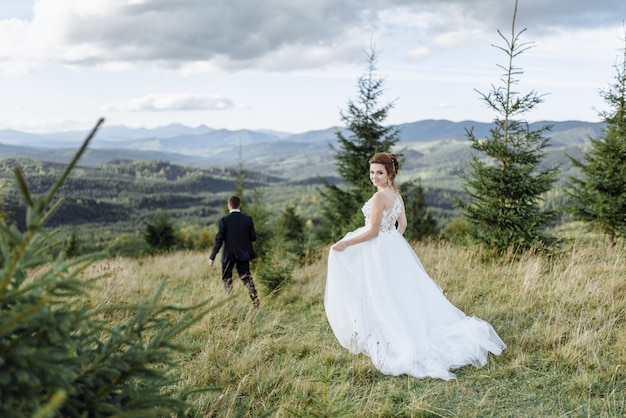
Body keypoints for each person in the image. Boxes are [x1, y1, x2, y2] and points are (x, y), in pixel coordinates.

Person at [324, 152, 505, 380]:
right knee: (395, 292)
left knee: (380, 292)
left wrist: (346, 243)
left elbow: (372, 231)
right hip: (390, 247)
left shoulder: (380, 198)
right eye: (372, 172)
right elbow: (403, 225)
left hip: (377, 248)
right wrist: (392, 243)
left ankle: (388, 334)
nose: (374, 177)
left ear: (390, 173)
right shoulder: (396, 195)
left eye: (379, 173)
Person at [209, 195, 260, 308]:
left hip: (228, 255)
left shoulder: (224, 221)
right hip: (244, 254)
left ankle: (231, 302)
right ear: (239, 205)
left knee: (227, 278)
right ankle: (254, 297)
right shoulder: (248, 219)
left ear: (229, 205)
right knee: (246, 277)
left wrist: (212, 256)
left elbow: (219, 239)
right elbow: (253, 238)